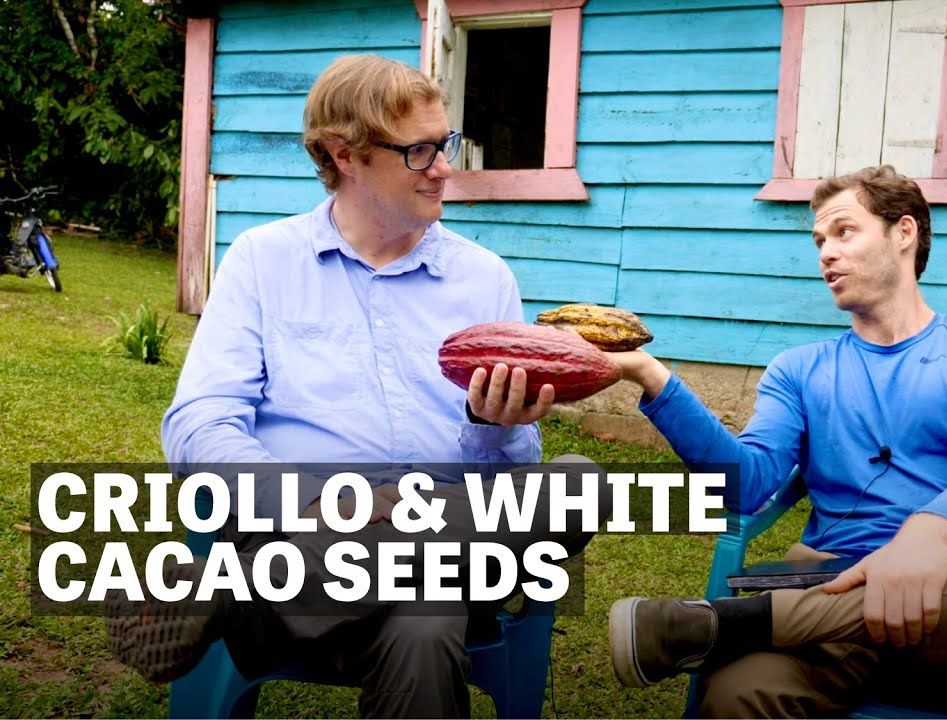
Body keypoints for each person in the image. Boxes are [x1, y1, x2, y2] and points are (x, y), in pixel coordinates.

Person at [104, 54, 608, 718]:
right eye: (420, 151)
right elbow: (199, 424)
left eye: (445, 144)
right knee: (426, 623)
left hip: (440, 533)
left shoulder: (483, 278)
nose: (445, 168)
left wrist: (496, 428)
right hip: (302, 527)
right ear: (346, 155)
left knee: (578, 483)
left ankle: (231, 591)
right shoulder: (263, 260)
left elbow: (512, 472)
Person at [605, 165, 947, 717]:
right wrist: (651, 376)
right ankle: (770, 621)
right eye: (819, 241)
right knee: (737, 696)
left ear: (904, 232)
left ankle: (746, 621)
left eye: (844, 231)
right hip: (829, 615)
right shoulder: (797, 370)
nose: (826, 253)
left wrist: (924, 538)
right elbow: (747, 485)